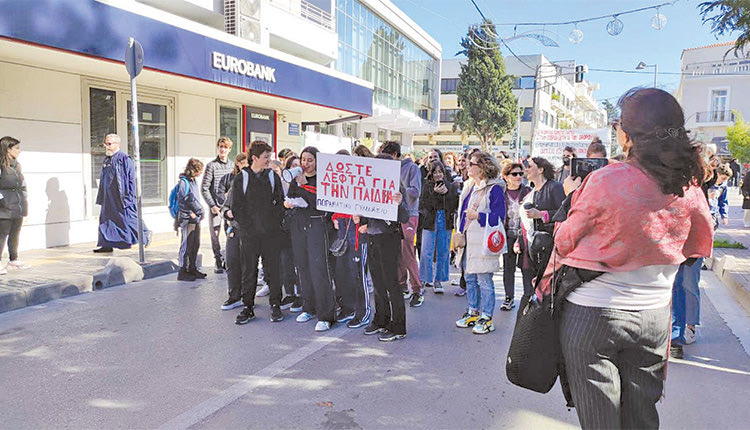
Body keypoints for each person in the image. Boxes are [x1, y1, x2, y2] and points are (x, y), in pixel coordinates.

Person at [548, 87, 712, 428]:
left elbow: (563, 241)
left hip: (593, 315)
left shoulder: (605, 180)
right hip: (653, 316)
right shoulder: (689, 187)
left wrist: (571, 198)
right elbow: (697, 247)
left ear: (627, 137)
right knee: (642, 419)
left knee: (600, 420)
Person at [230, 140, 285, 325]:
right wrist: (249, 228)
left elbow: (280, 203)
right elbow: (237, 207)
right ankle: (248, 307)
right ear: (254, 158)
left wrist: (273, 225)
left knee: (273, 271)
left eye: (270, 156)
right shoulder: (242, 178)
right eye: (266, 157)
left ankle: (275, 305)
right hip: (249, 236)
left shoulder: (272, 177)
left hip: (271, 235)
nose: (269, 160)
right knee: (249, 271)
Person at [357, 154, 409, 341]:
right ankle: (381, 319)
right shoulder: (369, 185)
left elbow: (405, 217)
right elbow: (364, 210)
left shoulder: (397, 188)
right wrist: (361, 220)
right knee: (378, 282)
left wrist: (400, 202)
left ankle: (398, 326)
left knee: (391, 283)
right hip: (371, 238)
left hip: (389, 238)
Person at [454, 151, 506, 334]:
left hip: (483, 241)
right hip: (468, 239)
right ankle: (472, 311)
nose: (468, 166)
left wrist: (479, 216)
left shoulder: (495, 189)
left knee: (484, 279)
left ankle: (487, 317)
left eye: (472, 164)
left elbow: (500, 216)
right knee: (469, 277)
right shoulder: (468, 186)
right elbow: (461, 213)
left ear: (483, 167)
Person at [286, 146, 336, 332]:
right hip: (299, 225)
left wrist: (303, 186)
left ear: (317, 162)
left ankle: (326, 314)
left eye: (310, 160)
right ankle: (309, 306)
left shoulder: (322, 179)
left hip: (317, 226)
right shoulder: (296, 177)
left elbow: (320, 203)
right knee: (303, 267)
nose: (305, 164)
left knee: (319, 269)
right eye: (303, 159)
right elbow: (291, 196)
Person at [380, 141, 423, 307]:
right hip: (391, 215)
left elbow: (416, 191)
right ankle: (402, 285)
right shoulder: (386, 168)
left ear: (395, 156)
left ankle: (417, 289)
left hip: (409, 214)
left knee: (407, 252)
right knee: (396, 253)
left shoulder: (411, 168)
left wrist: (399, 191)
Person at [93, 134, 150, 253]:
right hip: (108, 197)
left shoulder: (124, 158)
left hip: (121, 197)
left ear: (117, 144)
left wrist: (130, 196)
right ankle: (106, 244)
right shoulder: (107, 159)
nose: (106, 146)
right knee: (105, 220)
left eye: (109, 144)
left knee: (128, 219)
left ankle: (145, 234)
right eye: (105, 143)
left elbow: (131, 179)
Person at [519, 157, 565, 300]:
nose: (526, 169)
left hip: (550, 246)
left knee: (548, 285)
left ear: (540, 170)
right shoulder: (532, 191)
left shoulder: (554, 187)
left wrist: (541, 215)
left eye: (530, 166)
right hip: (534, 245)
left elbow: (564, 212)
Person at [419, 160, 458, 294]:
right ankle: (424, 279)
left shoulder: (451, 186)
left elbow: (454, 205)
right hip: (430, 220)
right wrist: (435, 193)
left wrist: (446, 193)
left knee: (443, 251)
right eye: (435, 172)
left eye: (440, 172)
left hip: (445, 220)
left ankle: (438, 280)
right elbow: (423, 205)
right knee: (426, 251)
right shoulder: (426, 186)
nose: (438, 175)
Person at [219, 153, 248, 309]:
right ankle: (234, 296)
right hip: (234, 229)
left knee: (247, 265)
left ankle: (247, 297)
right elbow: (225, 207)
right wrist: (227, 213)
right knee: (232, 262)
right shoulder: (234, 185)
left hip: (250, 232)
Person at [501, 162, 532, 311]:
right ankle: (509, 297)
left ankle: (528, 298)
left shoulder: (527, 191)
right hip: (507, 235)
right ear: (506, 177)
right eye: (514, 174)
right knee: (508, 267)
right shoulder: (501, 192)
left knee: (526, 267)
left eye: (520, 174)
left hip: (524, 235)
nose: (518, 176)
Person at [201, 137, 235, 273]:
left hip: (229, 207)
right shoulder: (212, 166)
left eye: (225, 147)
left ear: (229, 150)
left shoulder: (232, 166)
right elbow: (204, 188)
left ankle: (228, 260)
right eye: (221, 147)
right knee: (215, 234)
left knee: (230, 234)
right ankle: (218, 261)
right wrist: (212, 205)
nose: (223, 150)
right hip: (215, 206)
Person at [0, 137, 29, 274]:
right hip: (5, 206)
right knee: (2, 234)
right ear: (8, 149)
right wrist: (3, 200)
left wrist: (24, 199)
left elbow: (22, 185)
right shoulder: (1, 166)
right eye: (16, 148)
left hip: (18, 205)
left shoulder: (17, 165)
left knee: (15, 233)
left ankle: (13, 259)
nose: (19, 151)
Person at [175, 158, 205, 282]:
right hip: (187, 218)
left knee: (195, 244)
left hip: (195, 217)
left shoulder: (193, 181)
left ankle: (192, 268)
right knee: (186, 245)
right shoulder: (184, 182)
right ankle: (182, 271)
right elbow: (183, 199)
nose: (200, 173)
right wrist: (190, 213)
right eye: (199, 171)